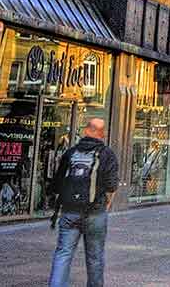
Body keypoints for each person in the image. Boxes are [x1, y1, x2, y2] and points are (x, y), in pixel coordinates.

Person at [48, 117, 119, 287]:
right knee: (94, 257)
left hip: (69, 211)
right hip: (95, 212)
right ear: (103, 135)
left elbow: (57, 183)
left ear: (86, 131)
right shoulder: (107, 154)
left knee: (63, 253)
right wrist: (107, 204)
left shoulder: (71, 152)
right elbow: (111, 186)